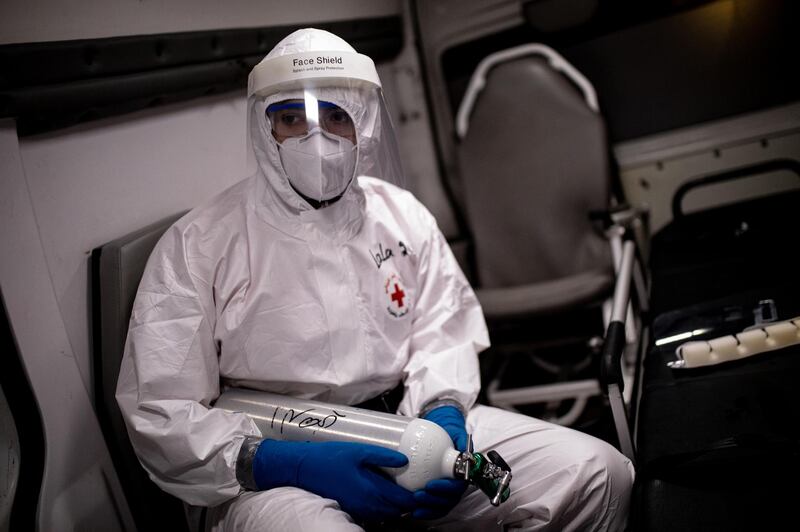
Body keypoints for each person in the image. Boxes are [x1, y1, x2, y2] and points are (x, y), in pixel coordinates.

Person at [116, 27, 634, 531]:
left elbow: (442, 331)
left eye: (335, 116)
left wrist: (444, 418)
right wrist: (286, 463)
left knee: (596, 475)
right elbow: (162, 412)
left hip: (411, 427)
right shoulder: (200, 244)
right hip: (280, 472)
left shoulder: (401, 215)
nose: (315, 139)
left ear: (362, 125)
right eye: (292, 117)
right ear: (263, 127)